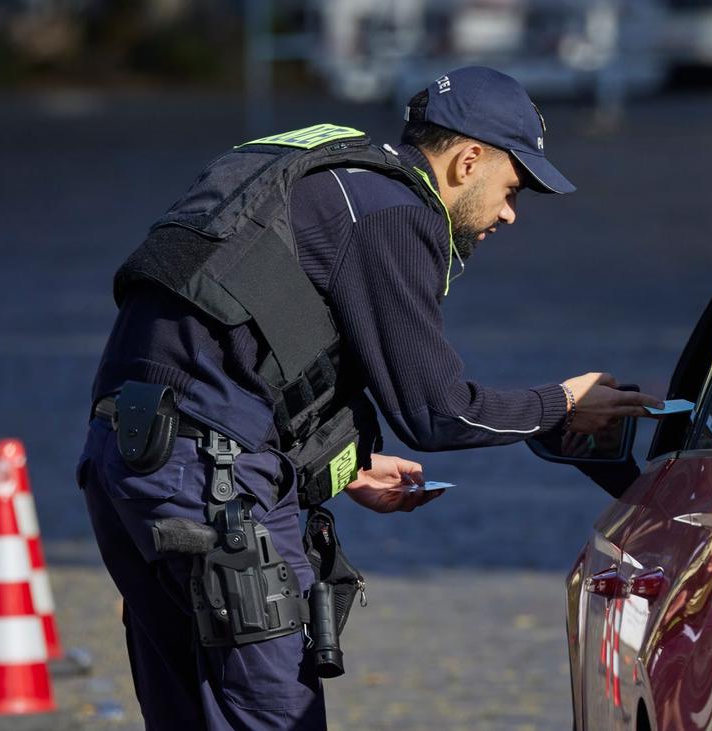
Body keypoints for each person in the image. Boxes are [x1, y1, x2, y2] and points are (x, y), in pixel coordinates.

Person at [76, 66, 661, 729]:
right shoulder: (395, 212)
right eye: (512, 187)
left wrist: (343, 460)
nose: (508, 213)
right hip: (213, 488)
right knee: (274, 716)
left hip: (125, 460)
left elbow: (238, 339)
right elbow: (440, 411)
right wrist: (562, 402)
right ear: (468, 160)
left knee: (186, 716)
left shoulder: (319, 172)